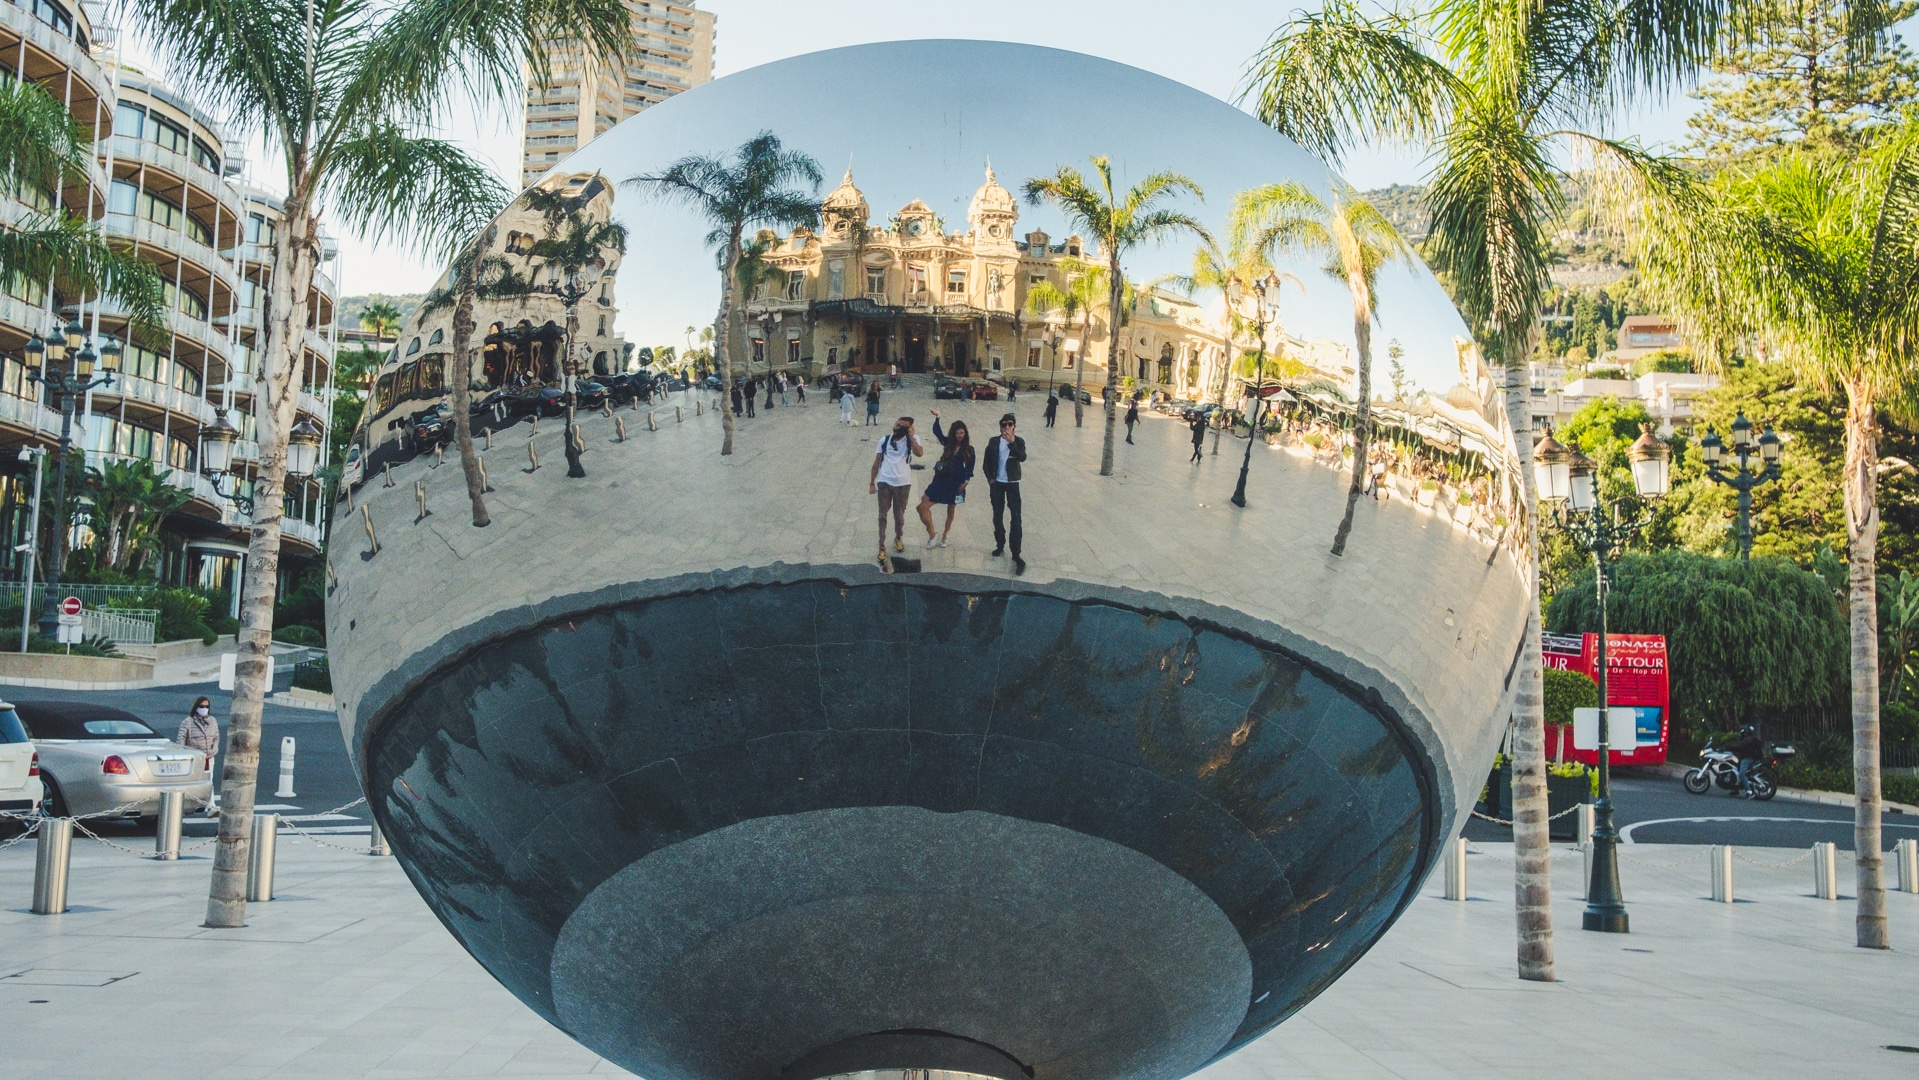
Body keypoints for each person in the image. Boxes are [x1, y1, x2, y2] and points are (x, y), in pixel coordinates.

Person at [917, 409, 975, 548]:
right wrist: (938, 418)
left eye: (962, 433)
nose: (960, 436)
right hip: (941, 479)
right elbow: (937, 432)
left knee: (951, 509)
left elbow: (970, 467)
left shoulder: (969, 449)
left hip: (956, 482)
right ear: (953, 434)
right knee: (922, 506)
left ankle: (945, 535)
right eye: (957, 433)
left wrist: (965, 482)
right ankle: (932, 533)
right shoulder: (948, 443)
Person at [869, 415, 923, 562]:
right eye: (896, 424)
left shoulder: (912, 440)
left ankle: (898, 538)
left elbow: (919, 453)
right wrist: (872, 482)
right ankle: (881, 546)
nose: (897, 428)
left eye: (901, 426)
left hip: (903, 484)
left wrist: (911, 437)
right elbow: (877, 462)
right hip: (885, 482)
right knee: (882, 516)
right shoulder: (884, 440)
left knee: (899, 515)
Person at [983, 412, 1027, 575]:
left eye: (1009, 424)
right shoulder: (993, 442)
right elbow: (986, 462)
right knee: (997, 514)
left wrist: (1012, 443)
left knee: (1016, 518)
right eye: (1003, 424)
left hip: (1013, 483)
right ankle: (1000, 545)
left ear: (1014, 426)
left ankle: (1016, 554)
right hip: (997, 484)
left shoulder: (1019, 441)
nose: (1006, 427)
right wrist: (990, 479)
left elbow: (1022, 457)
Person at [177, 696, 220, 814]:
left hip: (209, 757)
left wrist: (212, 752)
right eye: (202, 706)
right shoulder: (188, 722)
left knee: (209, 780)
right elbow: (181, 740)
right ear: (196, 707)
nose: (204, 709)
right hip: (195, 758)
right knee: (195, 781)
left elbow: (216, 738)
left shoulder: (212, 721)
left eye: (207, 707)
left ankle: (211, 805)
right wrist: (185, 755)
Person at [1726, 724, 1765, 793]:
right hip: (1744, 758)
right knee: (1735, 769)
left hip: (1747, 759)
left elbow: (1740, 746)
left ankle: (1749, 791)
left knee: (1741, 774)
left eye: (1745, 732)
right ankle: (1736, 788)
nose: (1744, 734)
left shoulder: (1748, 739)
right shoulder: (1748, 739)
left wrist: (1728, 746)